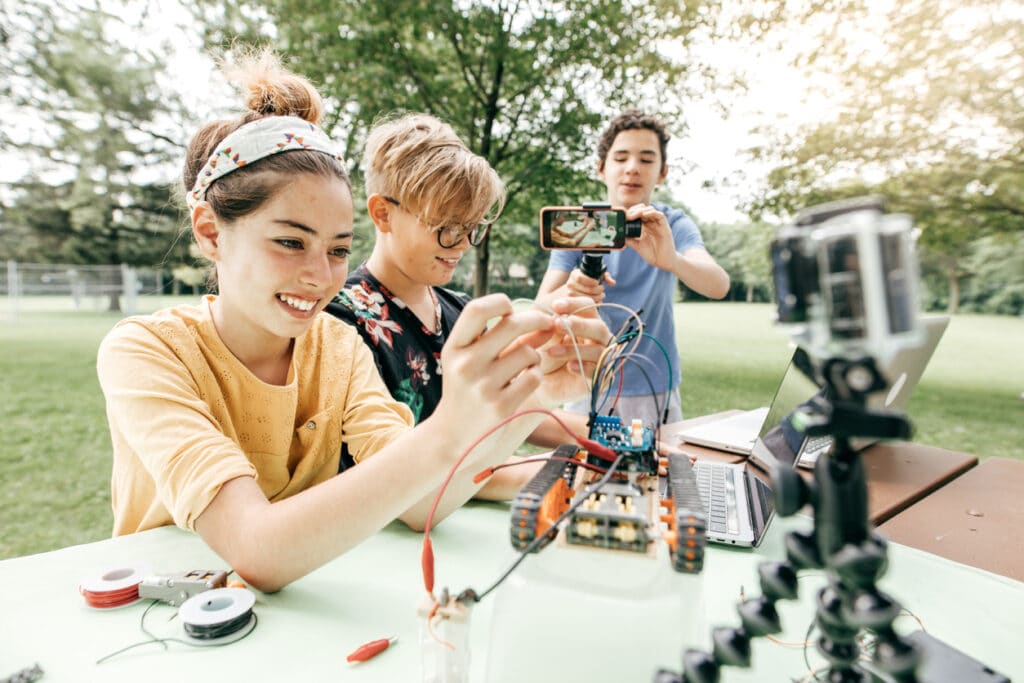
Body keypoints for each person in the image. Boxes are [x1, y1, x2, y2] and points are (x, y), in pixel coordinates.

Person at [95, 52, 608, 593]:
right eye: (291, 241)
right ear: (210, 232)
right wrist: (452, 425)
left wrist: (530, 397)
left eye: (339, 249)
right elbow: (256, 549)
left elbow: (421, 502)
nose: (320, 276)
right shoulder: (146, 350)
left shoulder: (338, 346)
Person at [325, 112, 590, 457]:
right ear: (383, 214)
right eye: (448, 227)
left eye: (471, 227)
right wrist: (572, 472)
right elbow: (408, 470)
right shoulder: (341, 322)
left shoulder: (459, 309)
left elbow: (519, 414)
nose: (464, 243)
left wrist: (632, 445)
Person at [535, 109, 730, 428]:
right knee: (584, 474)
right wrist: (573, 289)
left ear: (663, 172)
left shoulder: (672, 224)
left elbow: (718, 284)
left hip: (655, 387)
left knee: (660, 474)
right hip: (587, 381)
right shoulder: (577, 226)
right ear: (601, 168)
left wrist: (672, 260)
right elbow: (541, 305)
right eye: (621, 157)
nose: (632, 169)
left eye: (647, 159)